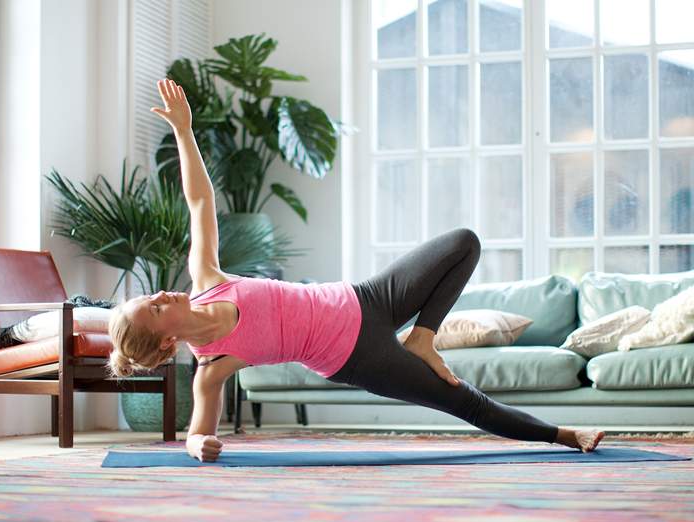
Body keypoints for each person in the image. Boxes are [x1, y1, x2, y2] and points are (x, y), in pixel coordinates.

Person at [108, 78, 605, 463]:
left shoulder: (207, 280)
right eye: (154, 309)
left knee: (463, 243)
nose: (162, 296)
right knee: (462, 402)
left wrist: (183, 130)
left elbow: (199, 200)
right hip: (355, 356)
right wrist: (199, 446)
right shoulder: (213, 367)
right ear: (167, 342)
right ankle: (562, 435)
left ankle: (423, 338)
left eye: (151, 296)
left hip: (365, 298)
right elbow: (200, 431)